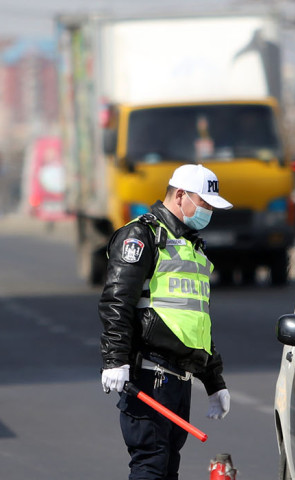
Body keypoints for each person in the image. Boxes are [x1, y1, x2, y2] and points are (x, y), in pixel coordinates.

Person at [99, 163, 233, 480]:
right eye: (204, 203)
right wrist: (115, 359)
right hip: (150, 376)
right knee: (151, 465)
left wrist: (213, 381)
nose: (209, 212)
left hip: (178, 380)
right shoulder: (141, 236)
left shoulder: (192, 248)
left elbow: (195, 324)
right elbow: (117, 300)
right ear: (181, 195)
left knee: (167, 467)